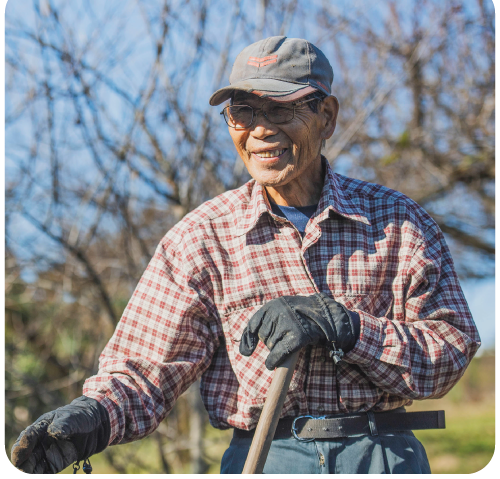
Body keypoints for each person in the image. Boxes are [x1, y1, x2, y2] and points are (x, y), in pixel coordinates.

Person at [11, 36, 481, 474]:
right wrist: (92, 417)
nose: (260, 130)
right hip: (266, 457)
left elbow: (451, 350)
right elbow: (144, 369)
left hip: (382, 454)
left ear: (328, 116)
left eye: (281, 110)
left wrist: (350, 330)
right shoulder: (202, 237)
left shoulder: (397, 221)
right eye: (243, 111)